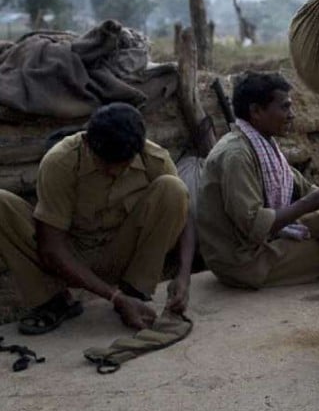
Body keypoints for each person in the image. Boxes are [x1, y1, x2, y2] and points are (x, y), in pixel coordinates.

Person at [0, 103, 193, 334]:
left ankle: (135, 292)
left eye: (123, 165)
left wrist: (183, 277)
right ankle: (53, 301)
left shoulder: (154, 158)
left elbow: (185, 214)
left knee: (174, 188)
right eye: (106, 164)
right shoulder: (60, 161)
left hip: (121, 253)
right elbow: (51, 248)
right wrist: (114, 297)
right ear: (88, 144)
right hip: (69, 256)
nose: (114, 173)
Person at [197, 72, 319, 289]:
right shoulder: (236, 155)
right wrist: (316, 201)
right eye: (284, 107)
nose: (291, 115)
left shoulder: (264, 147)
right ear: (256, 111)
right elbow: (255, 225)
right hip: (243, 261)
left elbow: (306, 191)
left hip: (259, 245)